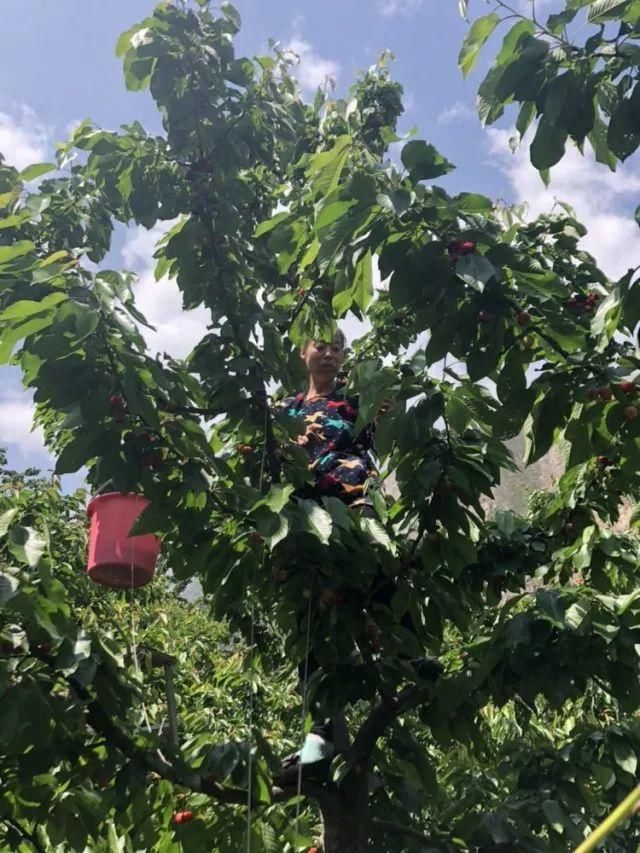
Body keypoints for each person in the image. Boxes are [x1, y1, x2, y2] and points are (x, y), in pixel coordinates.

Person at [277, 331, 442, 784]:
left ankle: (409, 656)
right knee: (311, 623)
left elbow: (382, 434)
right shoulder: (286, 411)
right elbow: (269, 460)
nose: (328, 353)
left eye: (336, 347)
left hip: (352, 505)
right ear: (302, 354)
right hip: (305, 523)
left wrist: (389, 407)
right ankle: (317, 743)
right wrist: (290, 444)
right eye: (319, 345)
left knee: (378, 564)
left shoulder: (353, 402)